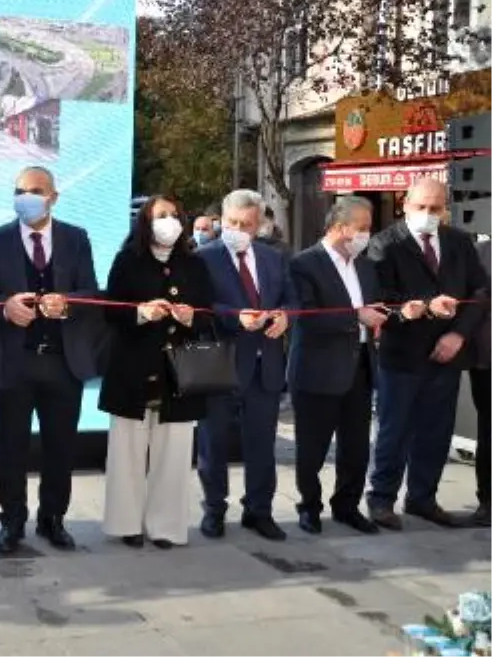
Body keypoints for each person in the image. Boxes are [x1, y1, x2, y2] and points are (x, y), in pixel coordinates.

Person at [0, 166, 103, 553]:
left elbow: (91, 293)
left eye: (34, 190)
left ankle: (53, 519)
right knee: (10, 448)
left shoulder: (75, 239)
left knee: (60, 447)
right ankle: (12, 521)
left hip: (63, 363)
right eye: (19, 190)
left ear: (53, 197)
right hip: (13, 361)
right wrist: (5, 306)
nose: (25, 197)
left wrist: (67, 304)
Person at [365, 177, 486, 529]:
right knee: (394, 429)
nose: (428, 214)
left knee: (437, 431)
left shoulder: (459, 242)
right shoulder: (384, 245)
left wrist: (458, 335)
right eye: (421, 207)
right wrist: (421, 308)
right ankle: (381, 499)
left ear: (445, 208)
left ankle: (422, 498)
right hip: (403, 355)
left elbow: (479, 292)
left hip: (447, 354)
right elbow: (381, 297)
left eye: (436, 208)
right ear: (405, 204)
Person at [99, 195, 214, 549]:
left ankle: (166, 526)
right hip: (132, 369)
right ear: (146, 221)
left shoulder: (195, 264)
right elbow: (109, 312)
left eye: (174, 215)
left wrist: (191, 317)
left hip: (179, 373)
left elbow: (209, 312)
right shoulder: (127, 260)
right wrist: (141, 313)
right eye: (161, 215)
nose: (169, 220)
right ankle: (126, 523)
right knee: (127, 452)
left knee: (175, 455)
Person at [197, 188, 297, 541]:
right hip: (220, 362)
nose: (238, 229)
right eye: (232, 222)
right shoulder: (203, 257)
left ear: (259, 226)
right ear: (221, 221)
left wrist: (286, 316)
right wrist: (234, 316)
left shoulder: (273, 258)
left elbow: (291, 297)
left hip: (264, 365)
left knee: (261, 444)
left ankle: (259, 511)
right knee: (214, 443)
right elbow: (201, 306)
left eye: (246, 224)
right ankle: (214, 510)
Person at [287, 197, 384, 536]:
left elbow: (375, 306)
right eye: (363, 228)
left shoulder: (365, 265)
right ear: (342, 228)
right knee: (312, 447)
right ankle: (309, 507)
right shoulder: (304, 264)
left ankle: (347, 506)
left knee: (356, 447)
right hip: (318, 369)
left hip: (360, 366)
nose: (367, 235)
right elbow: (307, 317)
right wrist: (355, 316)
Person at [470, 239, 492, 526]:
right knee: (489, 430)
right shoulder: (482, 252)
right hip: (487, 358)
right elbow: (472, 301)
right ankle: (487, 500)